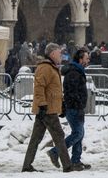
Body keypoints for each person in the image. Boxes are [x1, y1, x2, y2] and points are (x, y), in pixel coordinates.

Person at [22, 43, 73, 173]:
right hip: (47, 109)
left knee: (36, 138)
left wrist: (60, 105)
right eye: (59, 53)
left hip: (47, 108)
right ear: (52, 54)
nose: (61, 55)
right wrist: (42, 104)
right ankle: (67, 166)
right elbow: (39, 87)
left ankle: (27, 165)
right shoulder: (45, 67)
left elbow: (53, 89)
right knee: (59, 136)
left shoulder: (51, 67)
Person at [49, 49, 90, 171]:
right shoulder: (74, 73)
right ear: (80, 59)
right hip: (74, 108)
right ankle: (55, 152)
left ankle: (76, 160)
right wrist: (78, 104)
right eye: (86, 58)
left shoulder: (77, 71)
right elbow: (71, 92)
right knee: (77, 133)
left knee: (80, 134)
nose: (88, 60)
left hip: (77, 107)